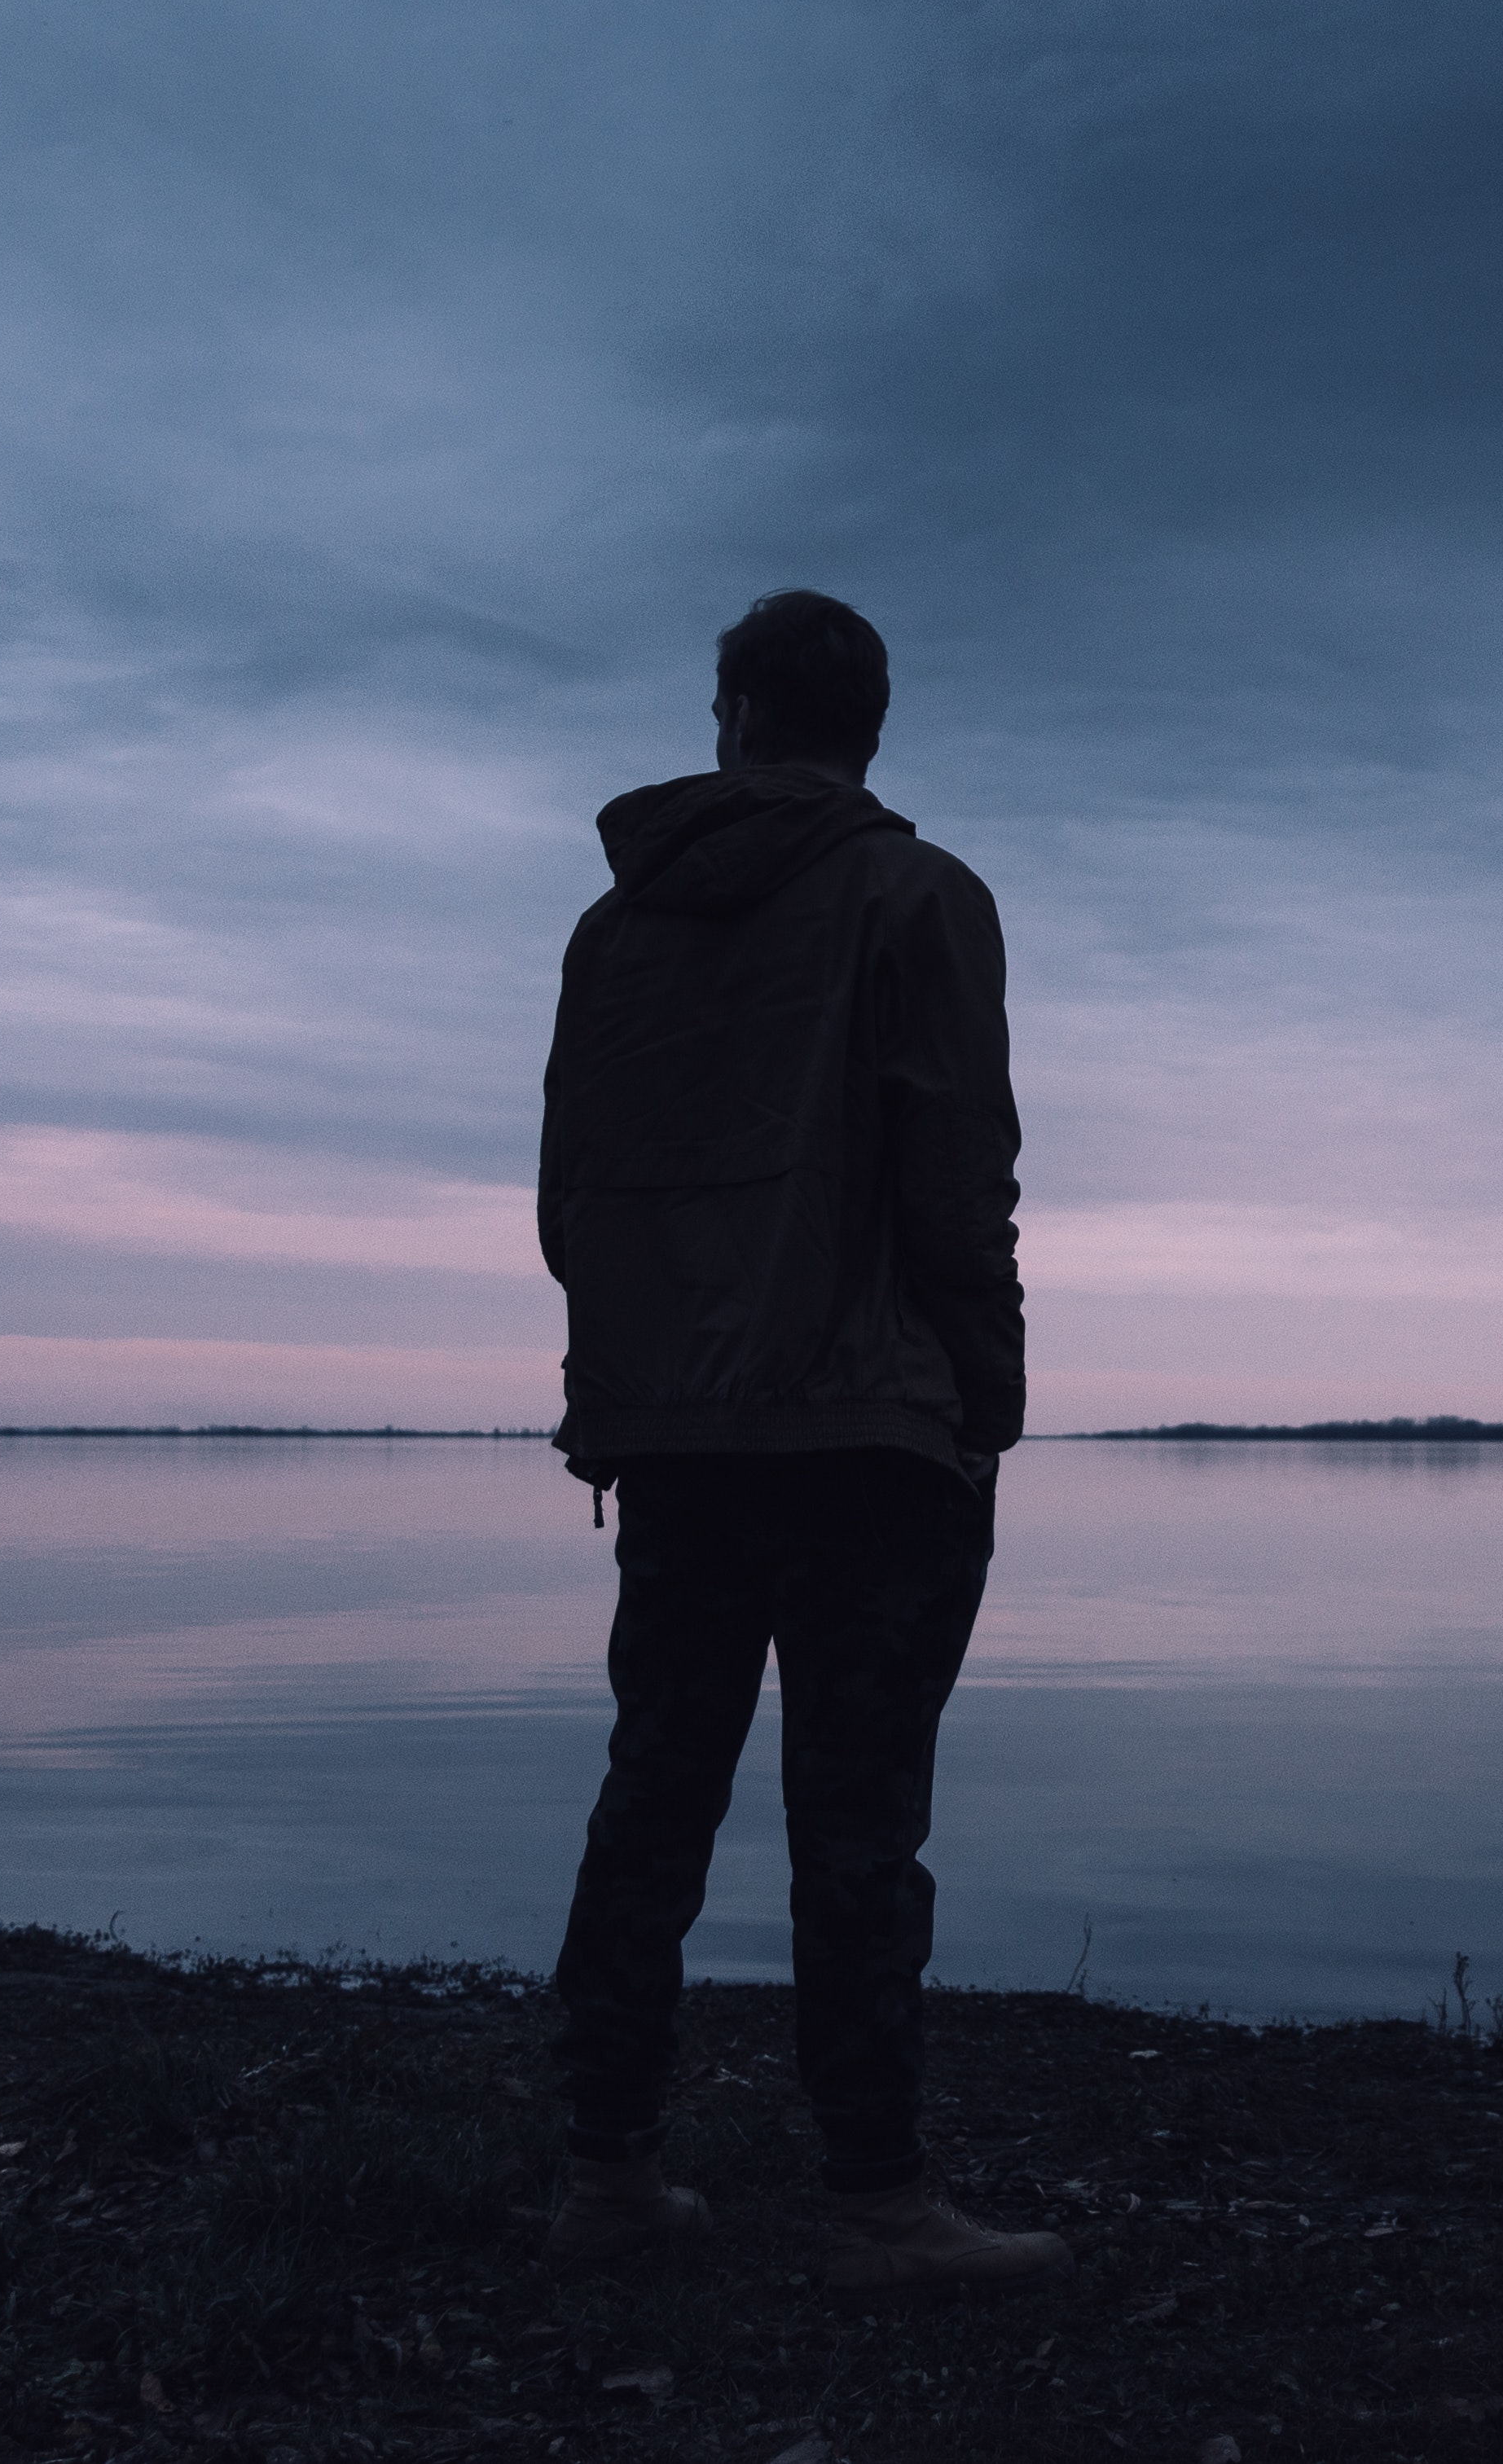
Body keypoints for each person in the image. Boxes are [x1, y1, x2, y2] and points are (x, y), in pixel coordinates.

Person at [534, 587, 1062, 2293]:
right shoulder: (920, 896)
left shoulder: (614, 937)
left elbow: (570, 1202)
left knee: (652, 1800)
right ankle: (876, 2200)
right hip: (868, 1440)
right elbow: (956, 1180)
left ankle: (606, 2176)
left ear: (736, 720)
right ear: (867, 728)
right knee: (856, 1825)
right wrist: (989, 1400)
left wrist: (633, 1386)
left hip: (677, 1435)